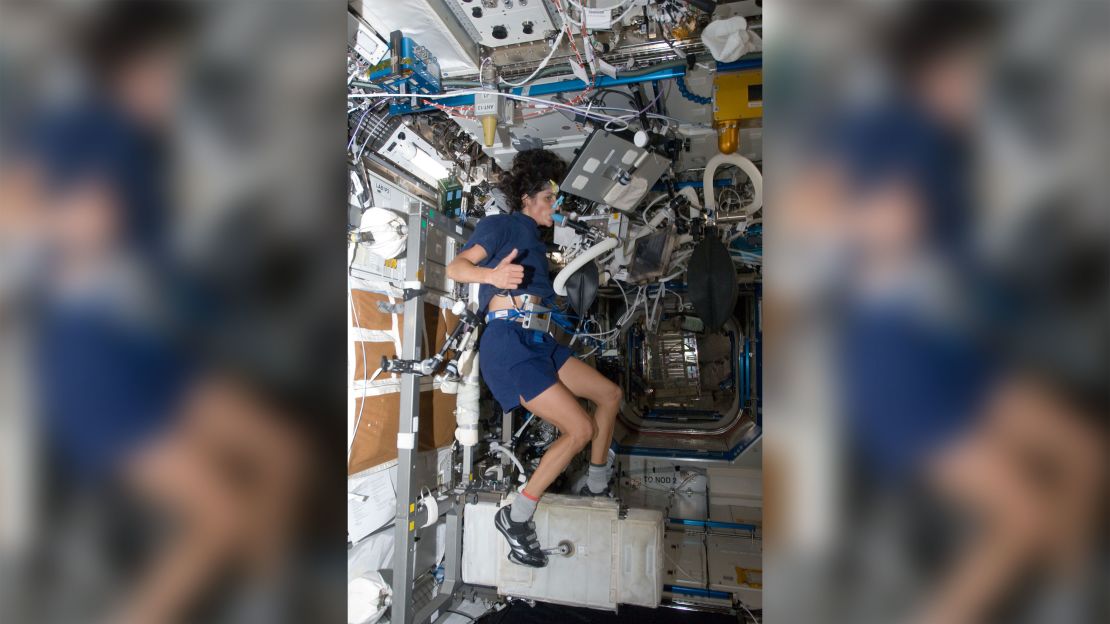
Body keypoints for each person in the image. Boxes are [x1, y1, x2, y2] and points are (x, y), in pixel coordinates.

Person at [446, 149, 623, 568]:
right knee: (579, 428)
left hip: (540, 342)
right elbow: (456, 268)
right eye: (548, 198)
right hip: (508, 344)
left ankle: (596, 485)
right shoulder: (501, 225)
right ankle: (516, 514)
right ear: (526, 197)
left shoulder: (538, 243)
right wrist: (491, 276)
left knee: (609, 395)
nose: (553, 206)